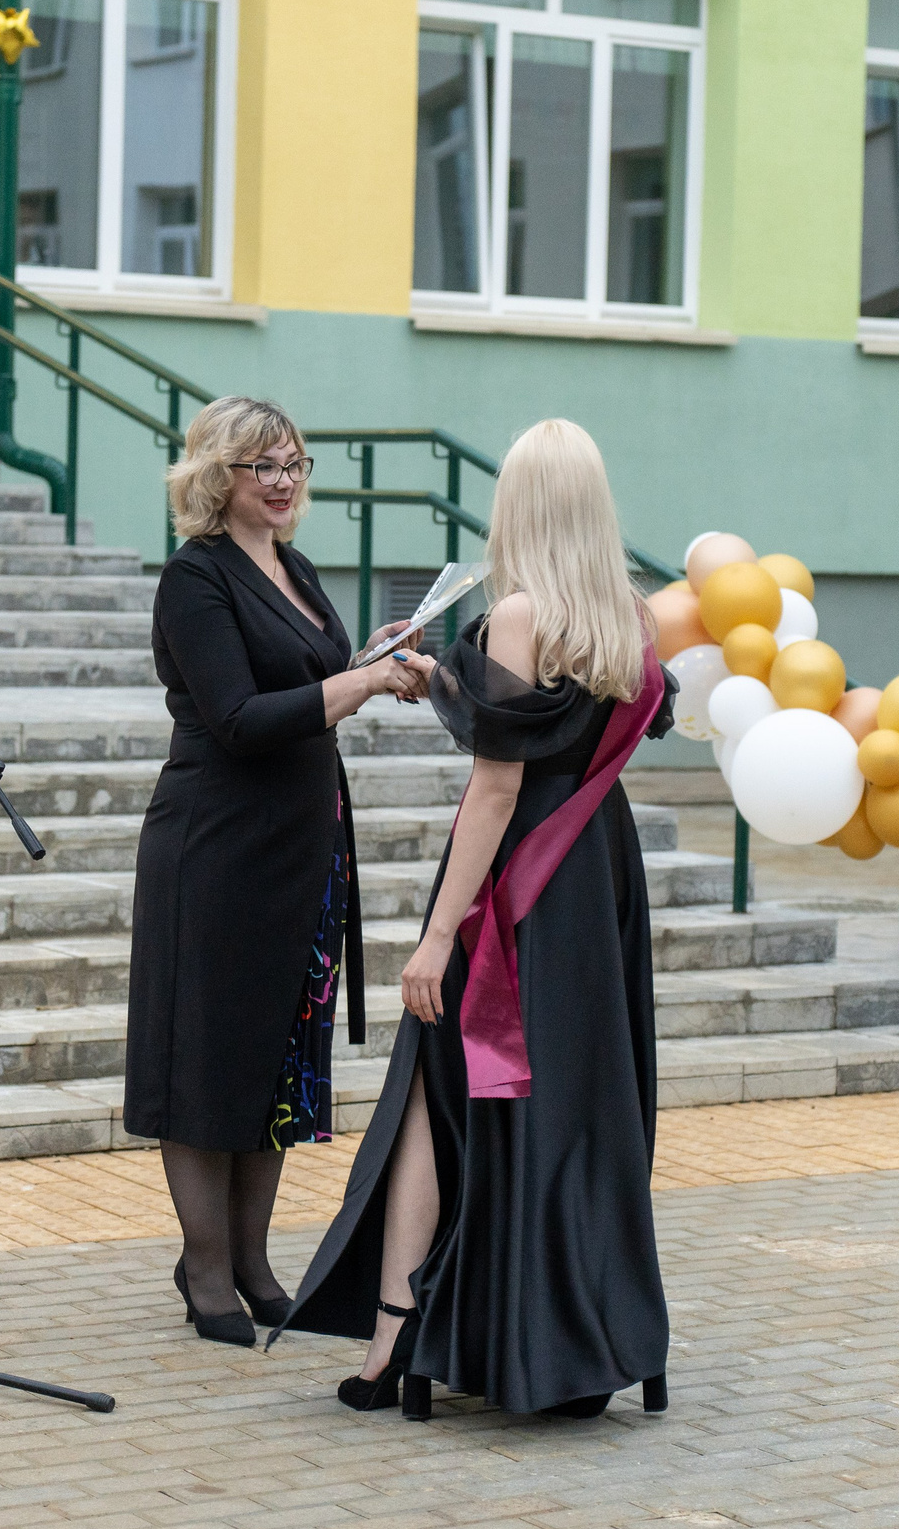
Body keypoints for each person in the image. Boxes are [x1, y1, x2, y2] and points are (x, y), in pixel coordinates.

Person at [276, 418, 675, 1422]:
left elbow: (498, 788)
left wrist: (439, 935)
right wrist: (432, 678)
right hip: (599, 879)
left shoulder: (520, 615)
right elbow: (597, 729)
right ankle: (573, 1343)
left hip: (518, 889)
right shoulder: (630, 616)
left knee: (429, 1090)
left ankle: (391, 1340)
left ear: (518, 509)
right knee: (578, 1105)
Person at [124, 396, 428, 1347]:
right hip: (216, 848)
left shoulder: (292, 567)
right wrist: (363, 682)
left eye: (296, 463)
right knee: (207, 1056)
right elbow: (243, 717)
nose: (287, 481)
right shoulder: (194, 578)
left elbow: (310, 684)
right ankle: (206, 1267)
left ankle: (254, 1260)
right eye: (267, 467)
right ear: (221, 476)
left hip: (300, 848)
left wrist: (376, 663)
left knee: (280, 1059)